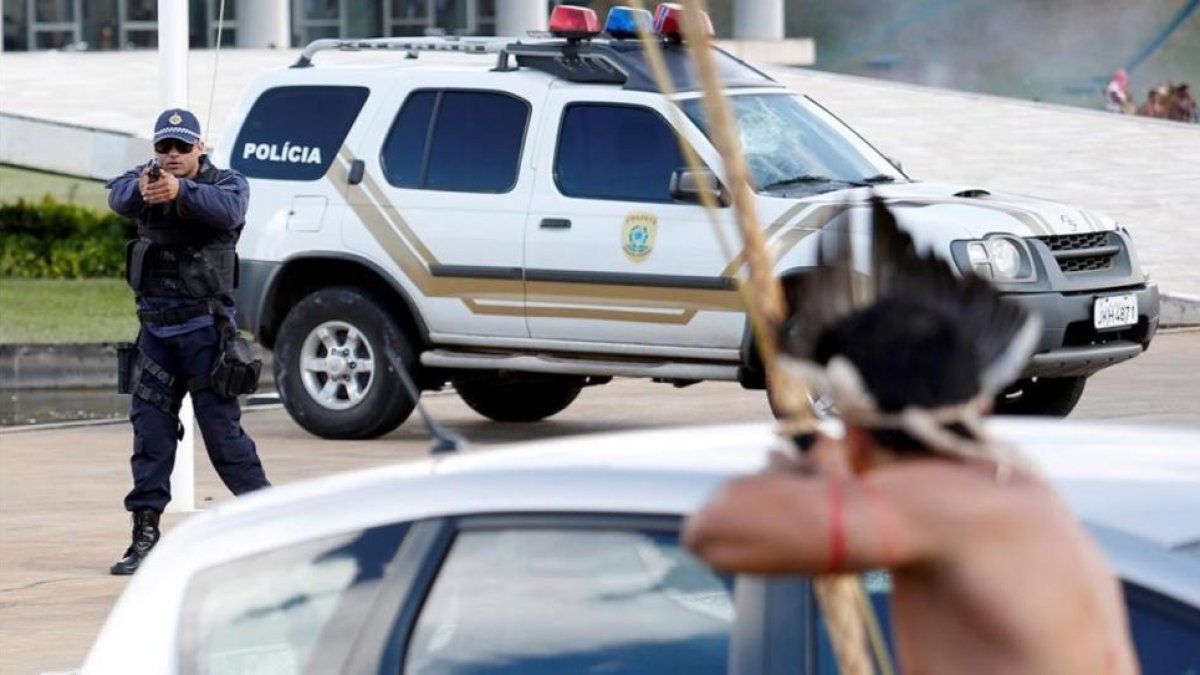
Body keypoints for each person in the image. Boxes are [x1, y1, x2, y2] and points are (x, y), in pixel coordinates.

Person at [683, 198, 1139, 674]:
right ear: (980, 403)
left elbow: (713, 531)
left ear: (856, 429)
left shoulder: (930, 504)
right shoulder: (1020, 486)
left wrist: (818, 457)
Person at [106, 109, 270, 575]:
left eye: (182, 146)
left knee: (225, 438)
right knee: (150, 438)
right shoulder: (144, 181)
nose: (173, 155)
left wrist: (181, 192)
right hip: (156, 332)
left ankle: (270, 525)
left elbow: (230, 211)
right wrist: (143, 188)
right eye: (165, 147)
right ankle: (144, 535)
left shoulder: (227, 184)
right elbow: (117, 197)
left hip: (206, 333)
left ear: (200, 147)